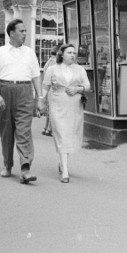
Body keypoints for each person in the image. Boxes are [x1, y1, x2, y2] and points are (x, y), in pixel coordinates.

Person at [0, 19, 42, 184]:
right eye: (22, 31)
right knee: (7, 131)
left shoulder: (30, 52)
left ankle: (25, 169)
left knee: (24, 131)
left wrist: (40, 98)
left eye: (25, 31)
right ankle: (7, 165)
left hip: (25, 91)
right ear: (12, 33)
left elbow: (36, 75)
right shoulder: (0, 52)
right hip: (5, 90)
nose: (25, 34)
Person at [38, 43, 90, 183]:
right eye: (69, 52)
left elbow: (87, 86)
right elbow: (45, 87)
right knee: (61, 133)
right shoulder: (52, 69)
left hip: (74, 106)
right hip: (57, 104)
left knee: (70, 135)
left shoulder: (80, 69)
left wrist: (78, 89)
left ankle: (63, 163)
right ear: (62, 54)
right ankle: (65, 171)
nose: (72, 55)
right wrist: (41, 101)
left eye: (74, 53)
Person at [41, 45, 60, 136]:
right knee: (53, 110)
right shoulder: (55, 62)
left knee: (50, 110)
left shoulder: (48, 61)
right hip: (54, 89)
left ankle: (45, 128)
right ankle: (49, 129)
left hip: (48, 88)